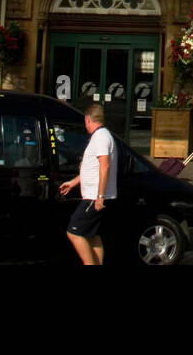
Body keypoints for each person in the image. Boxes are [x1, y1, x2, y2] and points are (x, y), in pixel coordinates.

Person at [58, 103, 117, 265]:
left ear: (88, 120)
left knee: (74, 232)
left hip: (93, 196)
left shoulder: (101, 137)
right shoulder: (101, 136)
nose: (85, 126)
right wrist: (73, 182)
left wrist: (99, 196)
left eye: (85, 122)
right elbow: (91, 168)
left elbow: (104, 166)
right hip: (94, 195)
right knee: (92, 235)